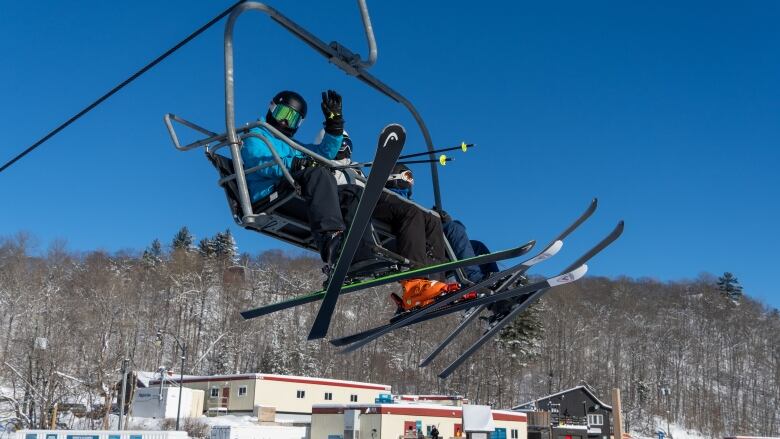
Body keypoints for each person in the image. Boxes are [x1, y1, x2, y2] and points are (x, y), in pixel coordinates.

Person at [241, 89, 364, 266]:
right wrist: (296, 164)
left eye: (293, 118)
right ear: (272, 108)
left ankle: (362, 251)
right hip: (269, 192)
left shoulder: (292, 146)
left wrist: (334, 125)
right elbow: (260, 162)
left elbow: (324, 153)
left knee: (351, 193)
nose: (285, 121)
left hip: (290, 187)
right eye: (283, 113)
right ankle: (331, 239)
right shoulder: (255, 136)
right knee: (319, 173)